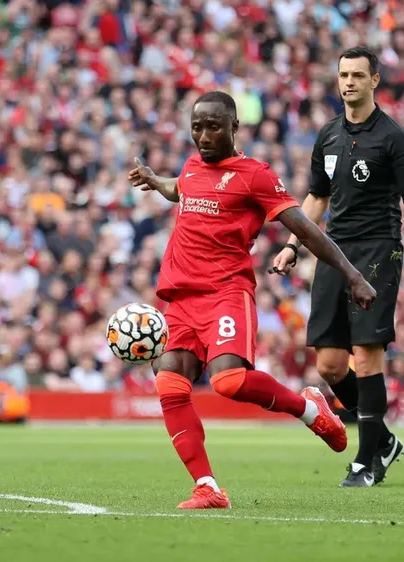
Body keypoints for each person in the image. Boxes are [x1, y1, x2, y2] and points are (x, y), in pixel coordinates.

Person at [129, 90, 377, 509]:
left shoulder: (254, 175)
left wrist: (352, 275)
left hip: (227, 292)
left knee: (228, 382)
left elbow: (307, 228)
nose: (203, 136)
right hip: (181, 299)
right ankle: (207, 486)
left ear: (233, 128)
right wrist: (157, 183)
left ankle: (311, 409)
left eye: (213, 127)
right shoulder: (191, 168)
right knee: (170, 383)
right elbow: (183, 189)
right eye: (196, 127)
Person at [271, 46, 404, 487]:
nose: (348, 81)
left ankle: (368, 459)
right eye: (343, 74)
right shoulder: (328, 135)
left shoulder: (394, 137)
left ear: (374, 81)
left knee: (366, 356)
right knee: (330, 365)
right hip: (332, 251)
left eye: (357, 75)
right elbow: (315, 198)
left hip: (377, 251)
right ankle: (383, 439)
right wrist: (293, 243)